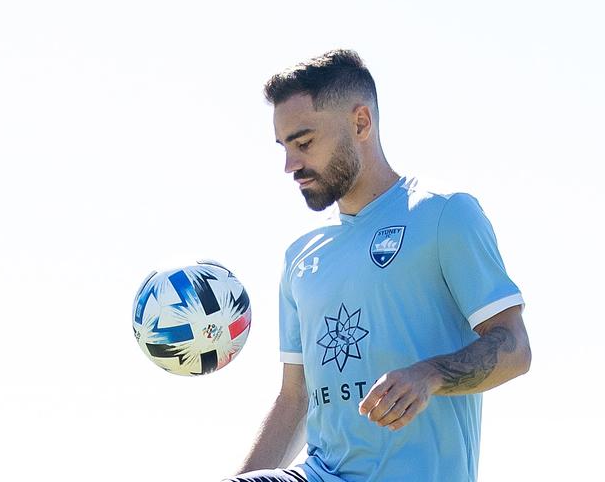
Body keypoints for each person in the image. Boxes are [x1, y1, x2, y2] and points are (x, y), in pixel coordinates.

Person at [223, 49, 531, 482]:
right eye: (284, 147)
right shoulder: (301, 256)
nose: (290, 165)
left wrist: (429, 375)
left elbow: (515, 348)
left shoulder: (445, 215)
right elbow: (295, 398)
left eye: (304, 143)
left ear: (361, 123)